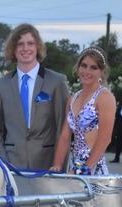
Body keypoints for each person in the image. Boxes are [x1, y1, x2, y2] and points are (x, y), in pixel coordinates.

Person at [0, 23, 69, 170]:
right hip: (11, 169)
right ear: (13, 49)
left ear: (37, 46)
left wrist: (60, 167)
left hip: (48, 168)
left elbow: (63, 130)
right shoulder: (1, 85)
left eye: (30, 43)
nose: (25, 48)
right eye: (20, 44)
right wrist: (4, 165)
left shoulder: (57, 82)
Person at [50, 46, 116, 175]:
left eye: (94, 67)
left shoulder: (105, 97)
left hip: (93, 170)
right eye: (84, 65)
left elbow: (105, 138)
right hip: (74, 169)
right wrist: (57, 165)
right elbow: (65, 136)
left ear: (102, 71)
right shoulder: (72, 99)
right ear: (78, 67)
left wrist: (86, 168)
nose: (87, 71)